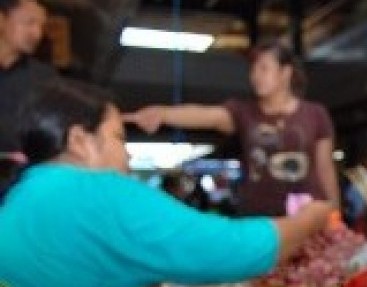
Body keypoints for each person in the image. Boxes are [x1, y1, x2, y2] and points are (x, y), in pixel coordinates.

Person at [0, 78, 332, 287]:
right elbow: (237, 250)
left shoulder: (25, 192)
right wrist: (310, 219)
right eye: (119, 139)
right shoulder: (98, 192)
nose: (127, 157)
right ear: (79, 141)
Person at [125, 39, 339, 217]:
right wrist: (163, 114)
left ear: (286, 72)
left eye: (264, 67)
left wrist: (335, 212)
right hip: (259, 221)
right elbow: (205, 115)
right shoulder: (243, 112)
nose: (255, 75)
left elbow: (325, 169)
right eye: (253, 68)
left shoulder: (315, 114)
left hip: (307, 217)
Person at [0, 0, 56, 192]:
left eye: (41, 26)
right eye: (29, 23)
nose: (37, 33)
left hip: (22, 184)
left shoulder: (45, 77)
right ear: (1, 19)